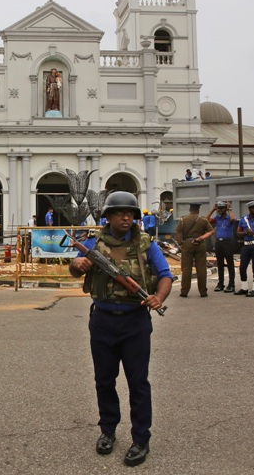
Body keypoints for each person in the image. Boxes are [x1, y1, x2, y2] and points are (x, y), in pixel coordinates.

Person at [68, 191, 173, 467]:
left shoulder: (146, 245)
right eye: (119, 212)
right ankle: (108, 431)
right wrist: (76, 264)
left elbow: (165, 276)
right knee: (104, 379)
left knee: (138, 382)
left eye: (130, 213)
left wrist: (158, 298)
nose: (126, 217)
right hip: (102, 321)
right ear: (108, 217)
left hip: (135, 322)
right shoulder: (94, 242)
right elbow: (75, 269)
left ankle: (141, 438)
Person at [174, 203, 214, 297]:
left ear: (190, 209)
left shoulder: (183, 220)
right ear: (198, 210)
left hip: (187, 245)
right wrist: (201, 238)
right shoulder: (203, 220)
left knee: (186, 269)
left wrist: (181, 243)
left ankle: (184, 292)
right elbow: (211, 231)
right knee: (201, 269)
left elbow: (177, 231)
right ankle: (203, 292)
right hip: (200, 245)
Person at [206, 201, 236, 292]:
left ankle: (231, 285)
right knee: (220, 264)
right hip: (219, 243)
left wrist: (229, 209)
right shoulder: (217, 218)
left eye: (222, 208)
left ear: (225, 209)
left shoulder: (229, 217)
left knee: (230, 264)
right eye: (218, 208)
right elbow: (206, 219)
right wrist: (213, 209)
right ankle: (220, 284)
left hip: (228, 243)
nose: (220, 210)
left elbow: (232, 219)